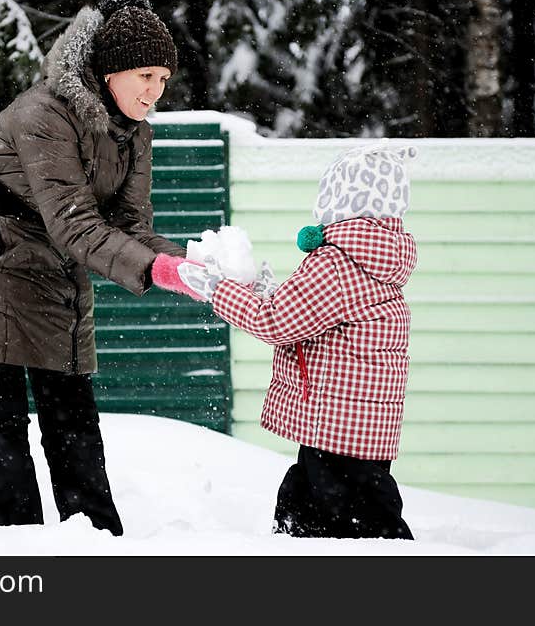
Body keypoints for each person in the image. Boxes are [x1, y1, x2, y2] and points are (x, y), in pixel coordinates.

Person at [0, 0, 191, 536]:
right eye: (145, 77)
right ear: (111, 72)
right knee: (0, 412)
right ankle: (17, 544)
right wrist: (153, 268)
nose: (154, 92)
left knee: (71, 403)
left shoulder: (135, 133)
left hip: (50, 254)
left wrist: (190, 265)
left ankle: (94, 537)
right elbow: (75, 222)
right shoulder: (44, 114)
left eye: (163, 79)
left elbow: (130, 227)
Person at [160, 144, 418, 539]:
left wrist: (218, 290)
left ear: (340, 199)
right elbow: (309, 313)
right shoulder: (376, 259)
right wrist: (264, 290)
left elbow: (278, 321)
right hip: (360, 428)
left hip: (337, 426)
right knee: (323, 504)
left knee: (354, 523)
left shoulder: (337, 262)